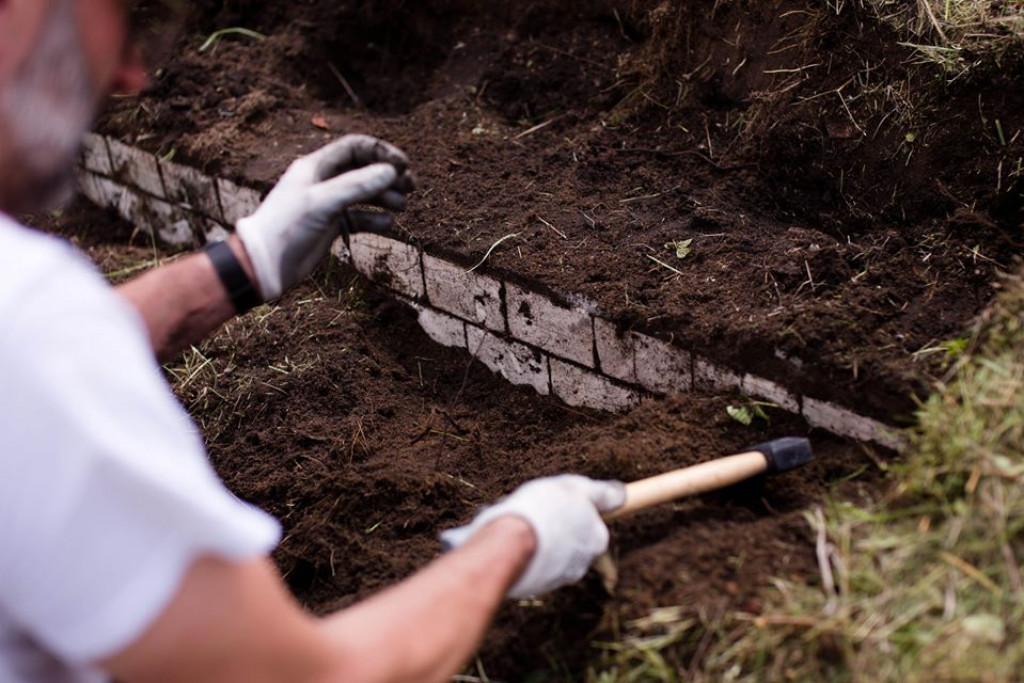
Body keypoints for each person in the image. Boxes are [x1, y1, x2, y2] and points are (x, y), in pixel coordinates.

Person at [0, 1, 626, 681]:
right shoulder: (35, 327)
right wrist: (516, 541)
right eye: (121, 25)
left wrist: (245, 264)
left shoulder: (33, 331)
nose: (129, 77)